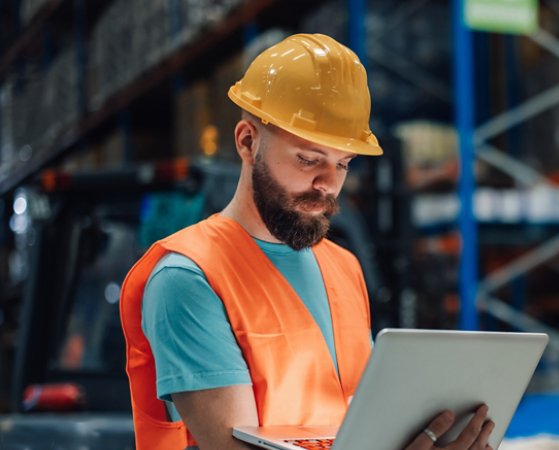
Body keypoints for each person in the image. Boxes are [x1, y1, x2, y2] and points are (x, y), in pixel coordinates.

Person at [119, 34, 493, 450]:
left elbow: (359, 428)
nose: (329, 184)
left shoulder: (343, 267)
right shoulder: (189, 278)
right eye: (308, 159)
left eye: (343, 164)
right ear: (247, 141)